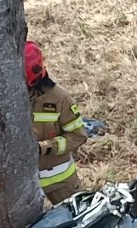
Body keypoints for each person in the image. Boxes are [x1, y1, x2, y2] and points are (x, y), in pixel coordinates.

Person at [25, 41, 88, 205]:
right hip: (23, 186)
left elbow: (78, 136)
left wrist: (45, 147)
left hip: (60, 181)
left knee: (78, 219)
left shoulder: (59, 99)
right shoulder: (6, 98)